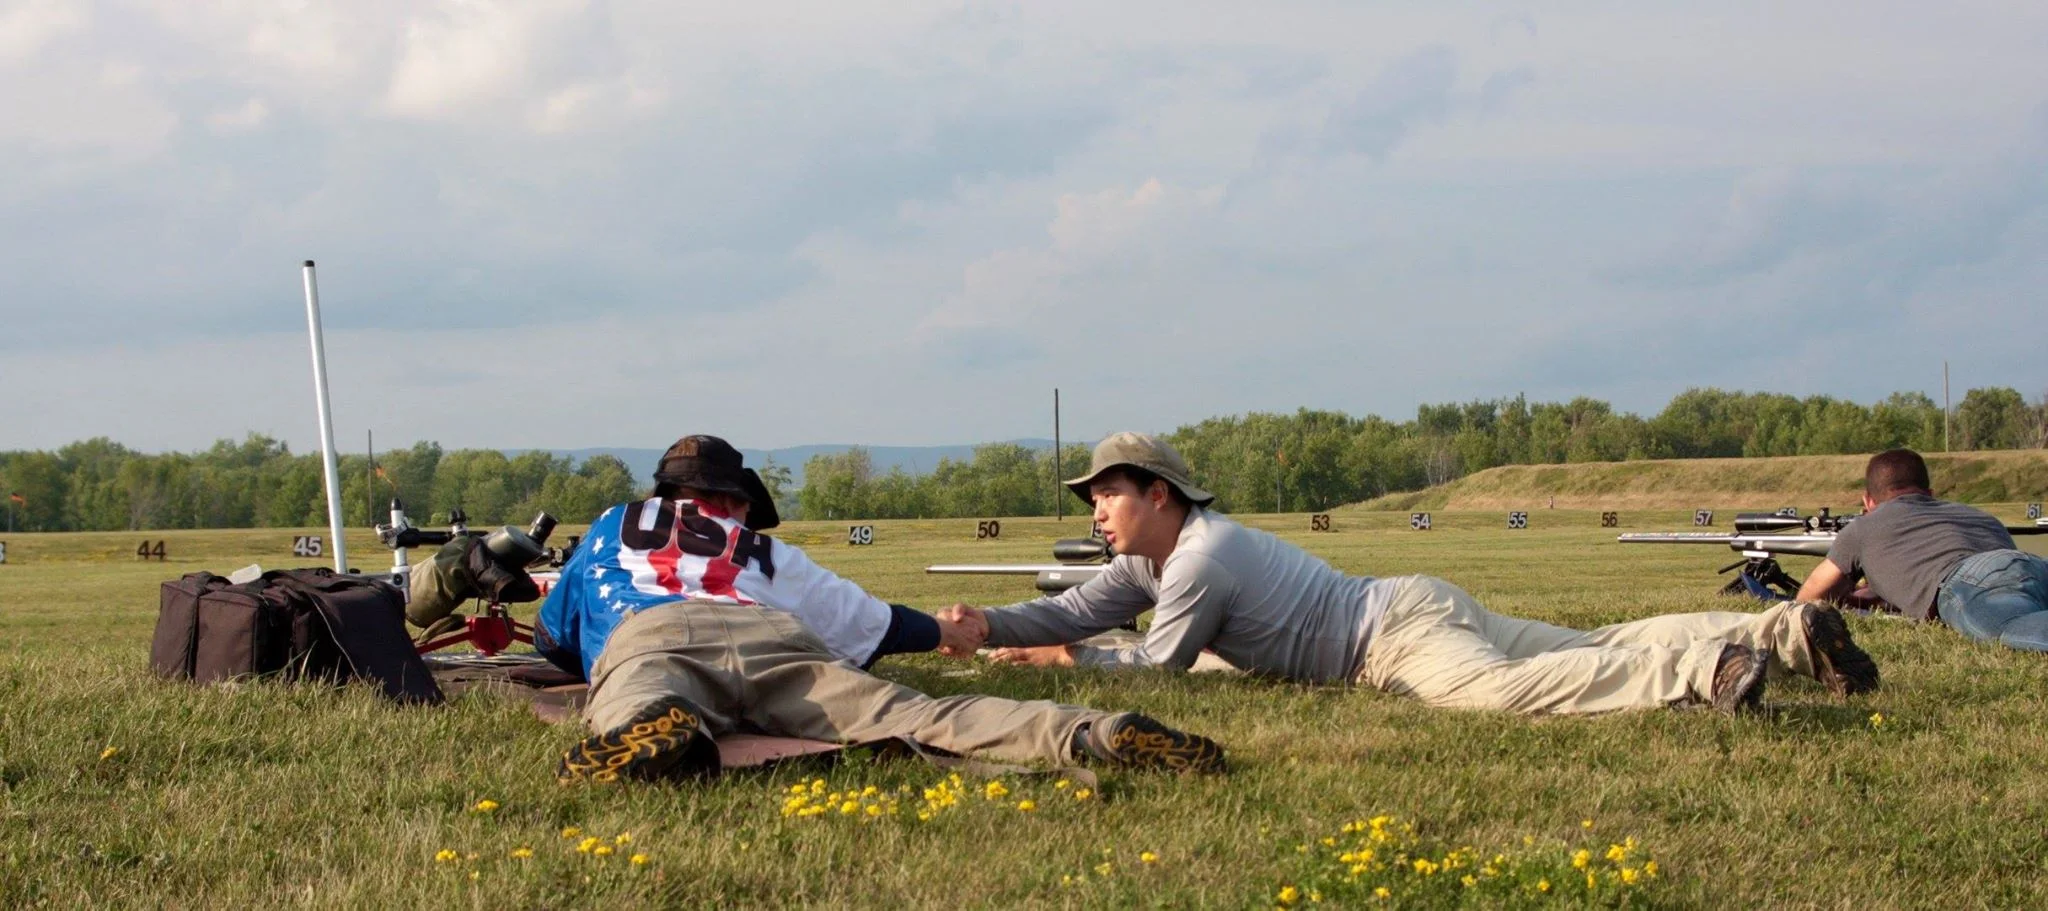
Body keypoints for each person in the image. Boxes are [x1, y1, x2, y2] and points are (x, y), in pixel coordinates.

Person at [940, 432, 1879, 716]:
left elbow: (1156, 670)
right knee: (1590, 643)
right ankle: (1782, 631)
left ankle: (1699, 671)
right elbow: (1068, 606)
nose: (1093, 512)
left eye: (1104, 495)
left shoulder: (1199, 560)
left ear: (1157, 492)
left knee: (1505, 694)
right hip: (1407, 599)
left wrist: (1071, 663)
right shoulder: (1159, 562)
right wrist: (986, 623)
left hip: (1389, 638)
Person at [534, 434, 1225, 783]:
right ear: (733, 502)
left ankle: (657, 722)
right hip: (772, 633)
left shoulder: (611, 523)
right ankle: (1089, 732)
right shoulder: (759, 549)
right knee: (921, 715)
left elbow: (551, 640)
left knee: (640, 696)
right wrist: (945, 631)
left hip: (650, 633)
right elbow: (867, 620)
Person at [1796, 448, 2048, 651]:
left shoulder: (1863, 526)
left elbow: (1808, 597)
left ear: (1868, 501)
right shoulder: (1979, 515)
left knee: (2008, 630)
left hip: (1965, 578)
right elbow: (2008, 578)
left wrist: (1848, 595)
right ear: (1929, 494)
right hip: (2030, 564)